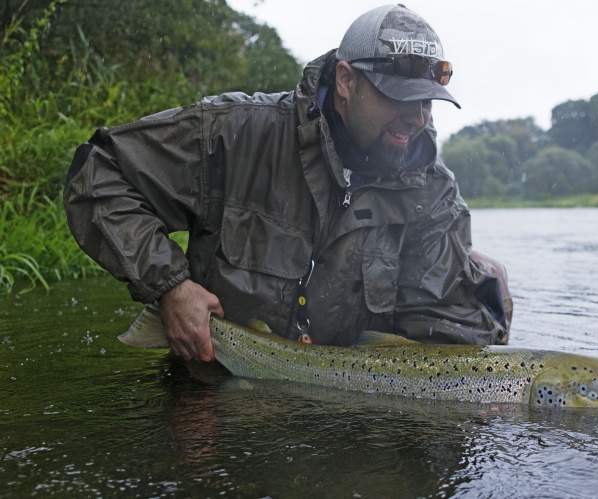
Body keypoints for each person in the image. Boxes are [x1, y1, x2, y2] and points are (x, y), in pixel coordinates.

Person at [64, 4, 513, 363]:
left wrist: (474, 299)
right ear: (345, 80)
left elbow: (441, 337)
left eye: (426, 103)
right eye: (399, 98)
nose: (417, 119)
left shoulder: (433, 199)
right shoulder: (236, 133)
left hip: (346, 423)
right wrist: (170, 288)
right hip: (215, 393)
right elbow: (100, 172)